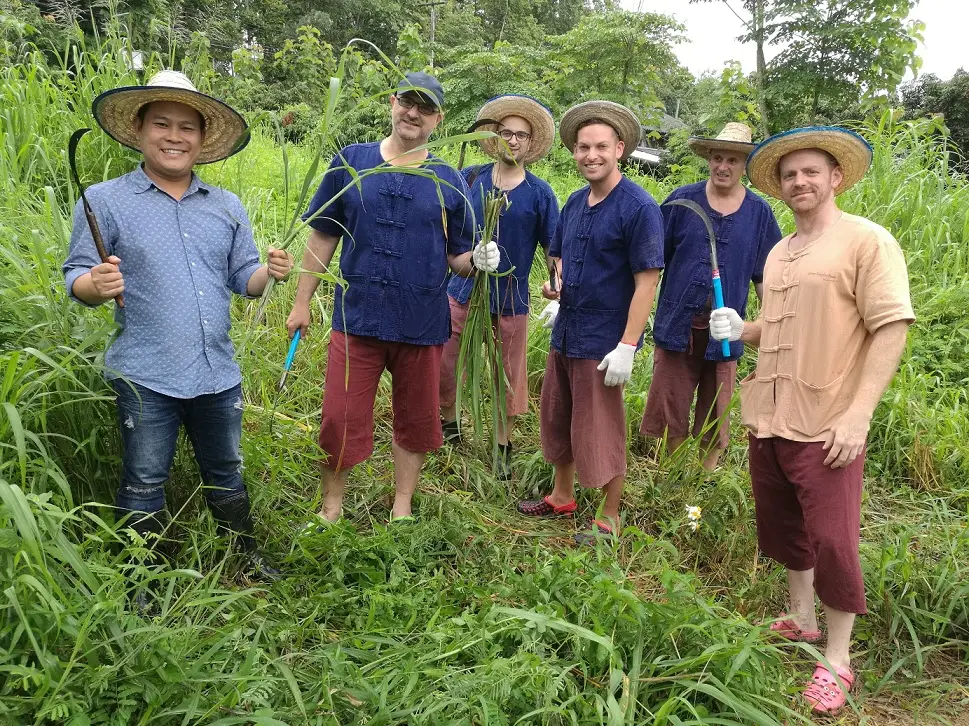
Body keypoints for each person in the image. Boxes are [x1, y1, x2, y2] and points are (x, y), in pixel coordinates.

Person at [709, 127, 914, 714]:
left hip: (828, 422)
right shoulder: (779, 253)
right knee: (783, 525)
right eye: (790, 175)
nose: (799, 182)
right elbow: (779, 328)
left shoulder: (866, 241)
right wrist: (741, 328)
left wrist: (858, 415)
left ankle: (838, 658)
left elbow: (891, 326)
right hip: (771, 416)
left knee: (832, 538)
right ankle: (801, 616)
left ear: (835, 178)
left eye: (811, 172)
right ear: (779, 186)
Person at [63, 70, 292, 581]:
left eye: (187, 127)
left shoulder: (226, 206)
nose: (174, 136)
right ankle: (138, 578)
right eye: (161, 124)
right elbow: (76, 275)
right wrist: (94, 284)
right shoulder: (104, 200)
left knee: (226, 469)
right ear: (139, 130)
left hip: (216, 371)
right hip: (146, 373)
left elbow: (243, 277)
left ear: (202, 138)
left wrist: (269, 272)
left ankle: (245, 555)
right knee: (145, 478)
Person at [286, 73, 496, 525]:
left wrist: (478, 260)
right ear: (392, 103)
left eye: (425, 108)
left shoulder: (448, 179)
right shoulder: (352, 161)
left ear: (438, 119)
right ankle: (331, 506)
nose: (413, 113)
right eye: (407, 102)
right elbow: (323, 237)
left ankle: (402, 504)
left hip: (421, 321)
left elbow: (458, 257)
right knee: (339, 417)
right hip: (356, 317)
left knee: (417, 419)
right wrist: (302, 302)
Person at [516, 101, 664, 544]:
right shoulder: (576, 202)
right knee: (558, 415)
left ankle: (609, 516)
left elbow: (647, 281)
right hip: (567, 333)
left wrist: (628, 345)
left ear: (619, 149)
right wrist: (556, 290)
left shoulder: (638, 207)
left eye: (601, 146)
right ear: (574, 152)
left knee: (601, 427)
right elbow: (559, 257)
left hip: (604, 341)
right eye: (583, 147)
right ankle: (562, 496)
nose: (591, 155)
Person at [641, 123, 782, 471]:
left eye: (732, 160)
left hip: (726, 331)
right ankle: (675, 475)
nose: (723, 166)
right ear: (708, 159)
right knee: (670, 403)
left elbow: (766, 277)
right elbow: (650, 261)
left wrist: (769, 326)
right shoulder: (682, 201)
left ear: (744, 165)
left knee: (716, 407)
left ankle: (705, 478)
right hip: (678, 323)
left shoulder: (759, 213)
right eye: (717, 158)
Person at [439, 94, 560, 479]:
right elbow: (447, 232)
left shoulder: (539, 193)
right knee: (447, 361)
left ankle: (502, 444)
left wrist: (557, 286)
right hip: (463, 287)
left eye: (521, 135)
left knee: (507, 374)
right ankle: (449, 425)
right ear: (495, 137)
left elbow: (553, 249)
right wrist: (468, 258)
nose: (513, 140)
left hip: (511, 296)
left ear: (530, 142)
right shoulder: (470, 178)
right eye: (506, 133)